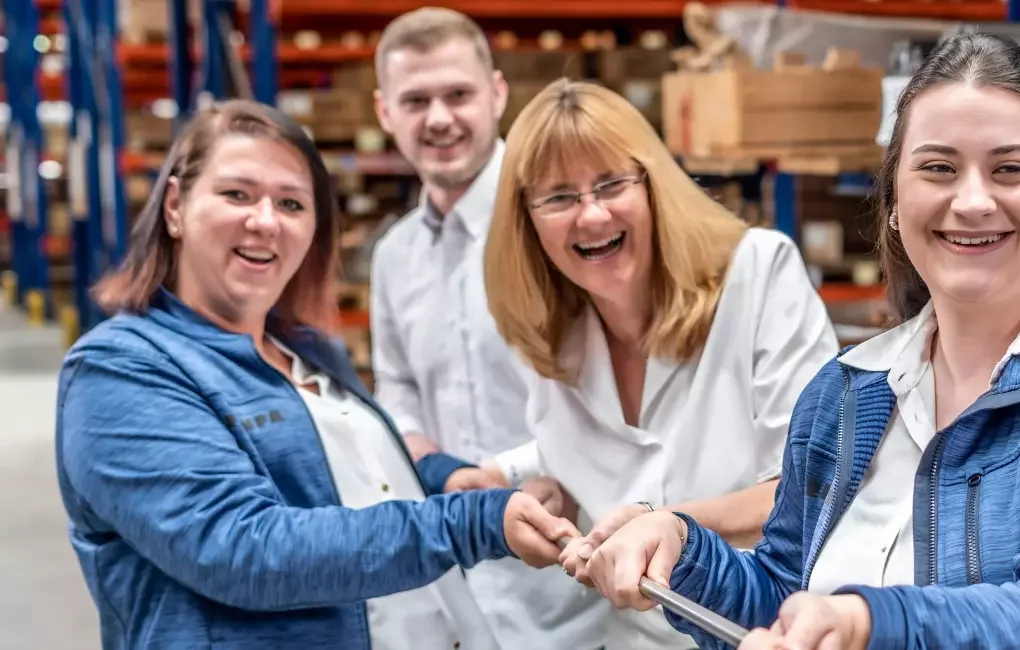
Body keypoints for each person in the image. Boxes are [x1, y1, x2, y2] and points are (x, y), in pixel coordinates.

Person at [582, 33, 1020, 650]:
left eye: (1010, 169)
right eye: (938, 168)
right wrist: (683, 549)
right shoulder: (845, 392)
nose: (973, 200)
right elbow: (782, 601)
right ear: (893, 202)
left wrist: (869, 623)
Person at [52, 99, 578, 650]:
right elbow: (239, 548)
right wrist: (469, 522)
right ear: (176, 207)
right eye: (237, 194)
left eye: (291, 203)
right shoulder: (121, 369)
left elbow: (340, 474)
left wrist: (442, 478)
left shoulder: (305, 349)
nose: (265, 221)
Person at [479, 78, 842, 649]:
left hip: (763, 630)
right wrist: (527, 486)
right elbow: (594, 455)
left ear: (653, 185)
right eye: (559, 197)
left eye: (611, 184)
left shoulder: (758, 274)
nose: (592, 215)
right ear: (526, 220)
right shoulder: (553, 330)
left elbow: (809, 489)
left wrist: (666, 525)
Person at [366, 8, 603, 648]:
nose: (439, 118)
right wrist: (442, 471)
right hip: (455, 581)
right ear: (384, 112)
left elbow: (619, 387)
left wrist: (524, 471)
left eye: (458, 94)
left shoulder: (563, 226)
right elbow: (396, 389)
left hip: (578, 581)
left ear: (497, 94)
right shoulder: (394, 256)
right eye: (416, 100)